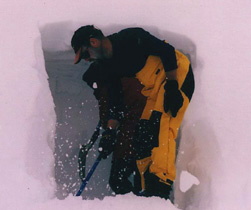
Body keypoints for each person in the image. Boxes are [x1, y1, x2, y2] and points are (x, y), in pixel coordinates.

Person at [71, 25, 195, 199]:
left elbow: (166, 51)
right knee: (142, 134)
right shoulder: (107, 66)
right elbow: (116, 100)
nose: (86, 60)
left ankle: (160, 185)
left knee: (160, 126)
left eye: (85, 54)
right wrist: (110, 132)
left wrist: (173, 86)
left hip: (175, 74)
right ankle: (146, 188)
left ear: (94, 42)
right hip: (154, 89)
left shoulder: (131, 38)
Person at [82, 63, 147, 194]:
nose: (95, 91)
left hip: (132, 137)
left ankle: (134, 208)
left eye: (94, 87)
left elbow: (121, 119)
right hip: (148, 133)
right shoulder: (128, 81)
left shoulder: (108, 89)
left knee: (117, 180)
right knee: (141, 178)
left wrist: (110, 138)